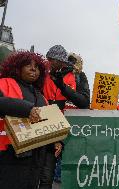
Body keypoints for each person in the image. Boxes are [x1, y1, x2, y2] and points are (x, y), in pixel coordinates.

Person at [40, 46, 90, 189]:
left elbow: (84, 103)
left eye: (51, 60)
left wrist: (62, 87)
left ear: (61, 61)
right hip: (48, 129)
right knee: (45, 176)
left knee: (70, 174)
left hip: (72, 132)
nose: (48, 62)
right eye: (47, 59)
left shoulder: (79, 76)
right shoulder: (44, 75)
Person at [0, 51, 48, 189]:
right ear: (17, 67)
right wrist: (27, 109)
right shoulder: (4, 83)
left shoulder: (41, 96)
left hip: (35, 158)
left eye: (37, 67)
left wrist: (56, 141)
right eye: (28, 65)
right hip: (8, 153)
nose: (34, 69)